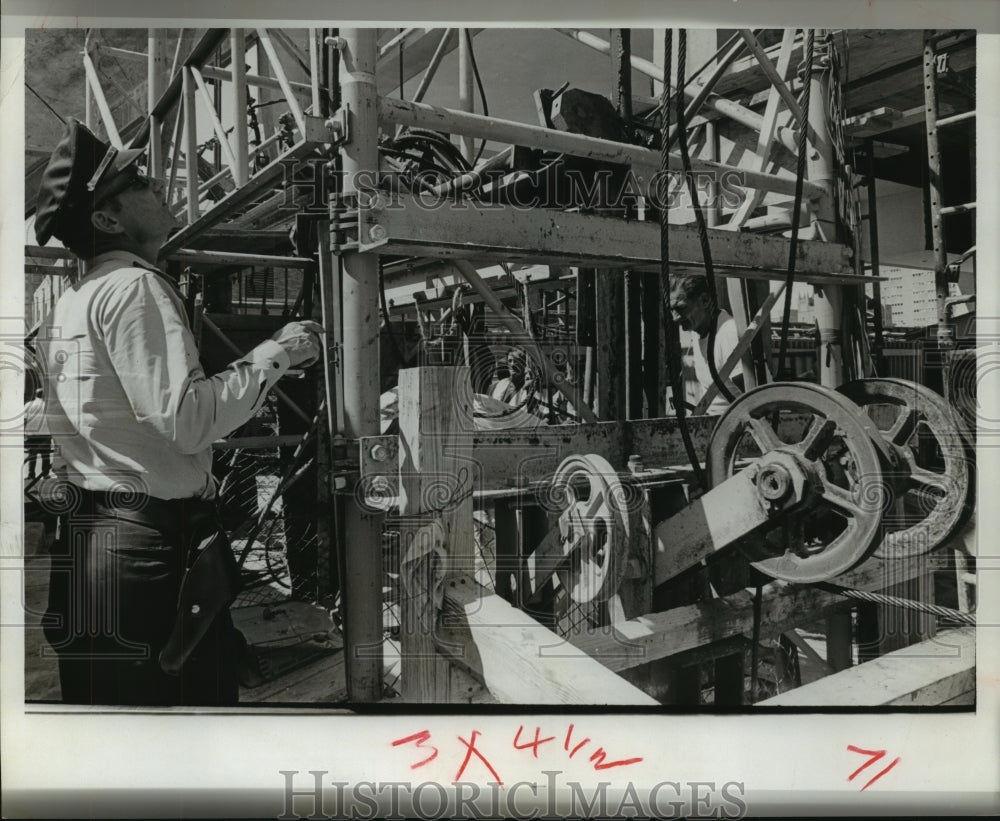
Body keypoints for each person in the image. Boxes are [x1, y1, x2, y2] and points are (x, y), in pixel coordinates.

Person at [33, 119, 324, 706]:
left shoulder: (73, 302)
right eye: (136, 179)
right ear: (107, 219)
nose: (155, 181)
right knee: (187, 731)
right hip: (146, 552)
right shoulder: (134, 289)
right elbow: (188, 420)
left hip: (96, 545)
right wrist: (281, 352)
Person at [668, 273, 747, 415]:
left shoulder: (728, 333)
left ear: (704, 301)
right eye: (672, 310)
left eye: (681, 308)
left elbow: (751, 397)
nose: (675, 318)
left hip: (733, 427)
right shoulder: (697, 332)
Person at [23, 388, 51, 482]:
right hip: (46, 434)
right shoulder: (48, 405)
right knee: (45, 456)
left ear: (35, 395)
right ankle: (45, 474)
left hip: (32, 434)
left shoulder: (28, 405)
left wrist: (23, 432)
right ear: (44, 395)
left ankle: (31, 474)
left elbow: (24, 419)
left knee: (32, 455)